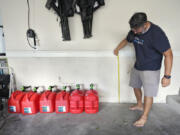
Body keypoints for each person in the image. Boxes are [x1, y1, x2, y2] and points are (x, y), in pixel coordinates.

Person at [114, 12, 173, 127]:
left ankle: (144, 117)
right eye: (133, 29)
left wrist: (167, 76)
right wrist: (117, 49)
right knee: (135, 86)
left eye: (136, 30)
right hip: (138, 64)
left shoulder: (157, 34)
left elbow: (169, 54)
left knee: (148, 93)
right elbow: (127, 39)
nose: (134, 32)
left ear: (145, 24)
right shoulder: (135, 29)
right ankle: (139, 104)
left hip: (151, 68)